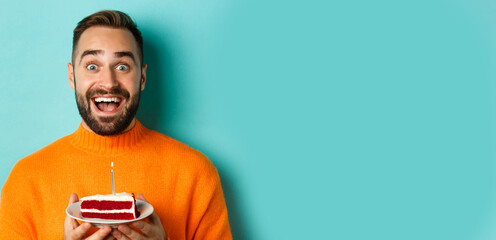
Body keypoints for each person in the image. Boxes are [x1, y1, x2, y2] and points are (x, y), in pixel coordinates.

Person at [0, 10, 232, 240]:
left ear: (142, 78)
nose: (108, 82)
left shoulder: (196, 174)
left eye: (122, 66)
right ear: (72, 76)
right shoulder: (26, 180)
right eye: (92, 66)